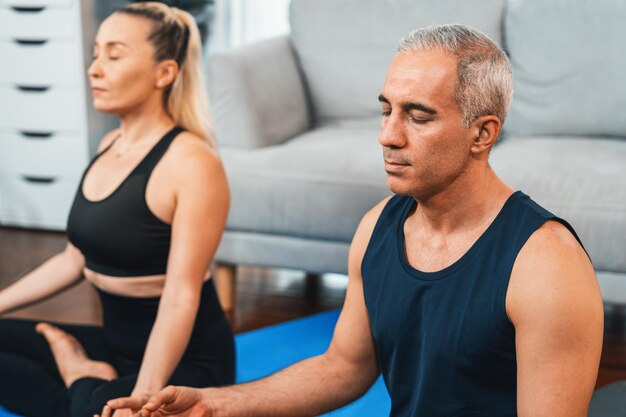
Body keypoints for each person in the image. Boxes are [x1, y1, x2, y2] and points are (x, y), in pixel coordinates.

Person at [107, 23, 604, 417]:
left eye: (418, 116)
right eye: (386, 110)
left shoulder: (545, 266)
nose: (388, 136)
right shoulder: (377, 229)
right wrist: (214, 403)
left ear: (482, 134)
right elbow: (344, 368)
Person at [0, 2, 234, 417]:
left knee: (104, 409)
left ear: (165, 73)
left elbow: (181, 294)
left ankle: (81, 377)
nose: (94, 68)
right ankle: (87, 384)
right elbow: (74, 258)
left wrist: (142, 397)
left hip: (186, 363)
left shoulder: (193, 162)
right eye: (95, 53)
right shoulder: (110, 145)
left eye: (114, 54)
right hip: (115, 343)